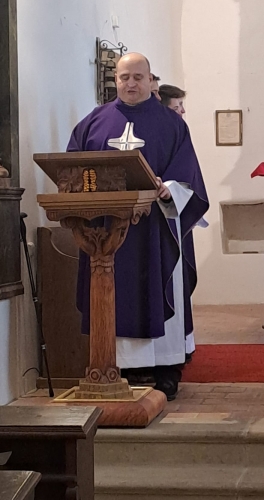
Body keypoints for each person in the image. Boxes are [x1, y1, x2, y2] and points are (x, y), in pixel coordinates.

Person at [67, 53, 209, 399]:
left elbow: (187, 173)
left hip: (156, 228)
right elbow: (72, 169)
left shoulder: (172, 125)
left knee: (159, 290)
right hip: (107, 234)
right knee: (117, 293)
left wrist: (168, 188)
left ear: (149, 80)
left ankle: (166, 369)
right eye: (124, 77)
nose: (131, 83)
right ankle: (121, 369)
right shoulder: (92, 123)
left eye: (138, 77)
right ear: (115, 80)